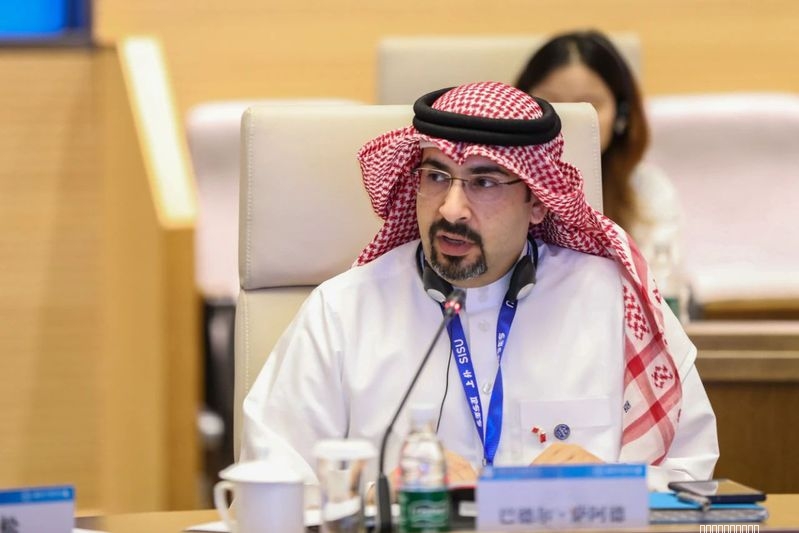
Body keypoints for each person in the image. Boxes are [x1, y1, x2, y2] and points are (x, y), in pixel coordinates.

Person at [240, 82, 718, 496]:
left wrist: (614, 482)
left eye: (484, 182)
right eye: (436, 176)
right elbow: (269, 484)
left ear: (537, 200)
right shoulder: (342, 312)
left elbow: (693, 477)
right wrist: (379, 498)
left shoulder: (615, 304)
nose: (451, 209)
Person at [514, 29, 681, 264]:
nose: (566, 121)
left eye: (588, 105)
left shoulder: (647, 191)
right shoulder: (496, 184)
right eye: (550, 103)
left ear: (621, 115)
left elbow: (661, 278)